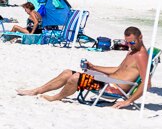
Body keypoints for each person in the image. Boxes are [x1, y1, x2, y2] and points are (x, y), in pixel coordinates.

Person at [17, 26, 149, 106]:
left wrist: (129, 101)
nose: (130, 45)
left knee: (75, 78)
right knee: (68, 72)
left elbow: (147, 83)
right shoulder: (133, 52)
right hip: (108, 82)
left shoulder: (141, 56)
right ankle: (37, 90)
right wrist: (94, 67)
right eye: (127, 43)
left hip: (113, 88)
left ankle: (56, 97)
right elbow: (118, 70)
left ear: (141, 37)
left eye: (132, 42)